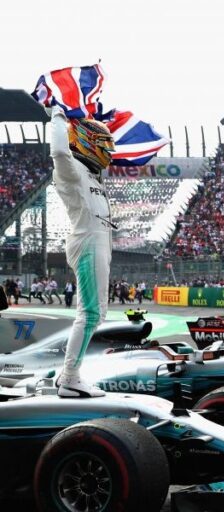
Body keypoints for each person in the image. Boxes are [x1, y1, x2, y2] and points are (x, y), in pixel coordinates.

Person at [50, 107, 114, 398]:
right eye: (104, 145)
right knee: (89, 314)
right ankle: (70, 379)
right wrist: (58, 117)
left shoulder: (90, 173)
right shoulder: (71, 169)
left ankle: (67, 374)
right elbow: (59, 152)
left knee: (97, 313)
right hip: (88, 240)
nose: (109, 152)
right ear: (88, 142)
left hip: (97, 240)